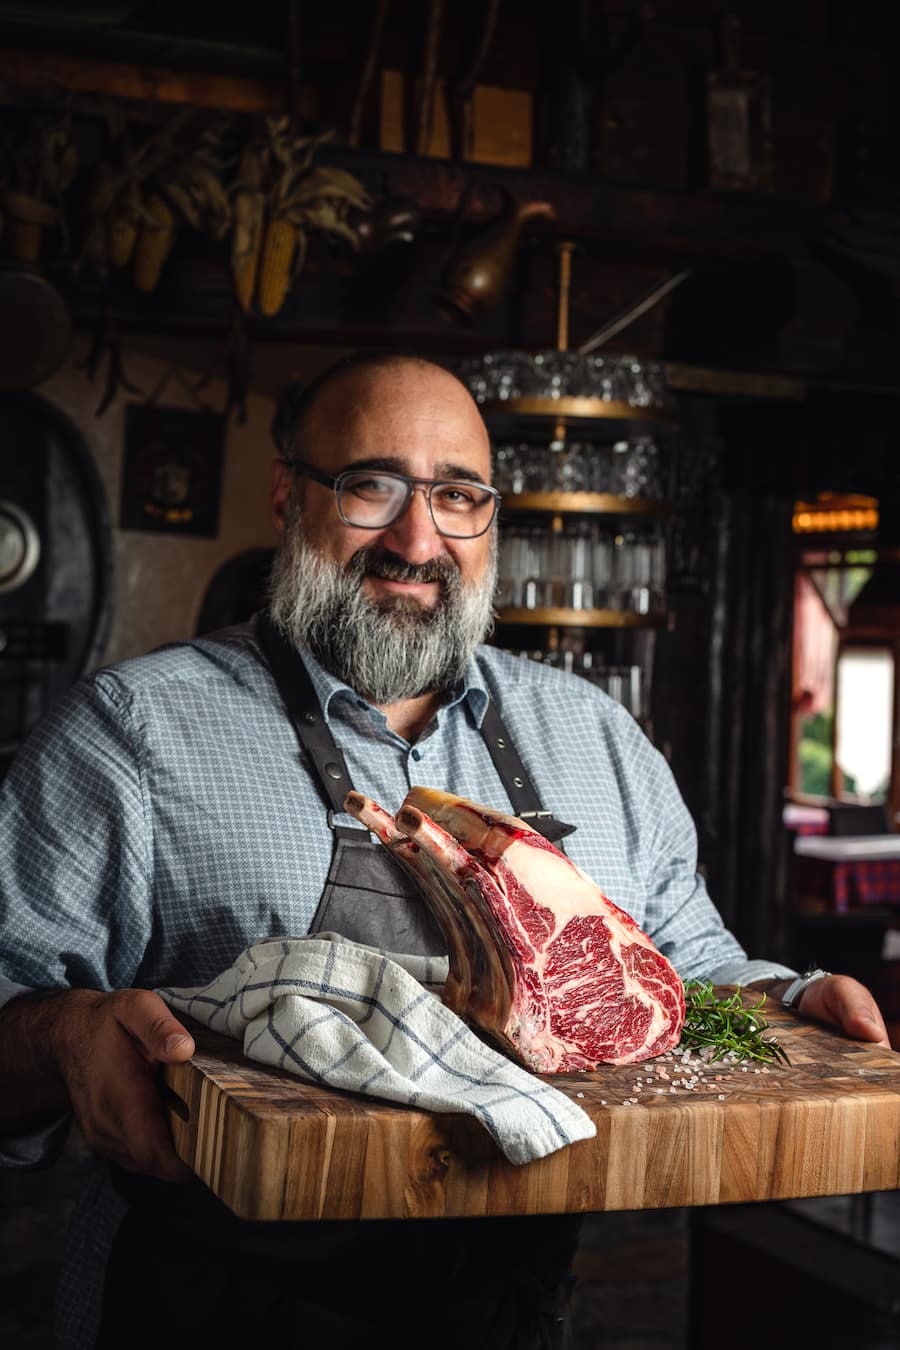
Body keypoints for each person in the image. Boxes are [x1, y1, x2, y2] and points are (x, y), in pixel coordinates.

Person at [0, 351, 889, 1350]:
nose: (418, 539)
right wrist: (60, 1036)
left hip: (503, 1312)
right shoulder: (132, 733)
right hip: (213, 1307)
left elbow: (690, 966)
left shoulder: (593, 736)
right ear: (290, 496)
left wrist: (788, 994)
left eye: (459, 496)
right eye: (372, 487)